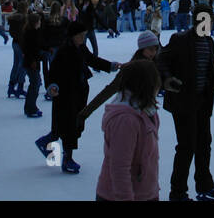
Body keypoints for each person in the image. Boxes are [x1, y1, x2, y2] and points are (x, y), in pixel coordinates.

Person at [156, 1, 214, 201]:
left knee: (204, 144)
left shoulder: (208, 42)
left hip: (202, 103)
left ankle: (205, 186)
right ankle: (178, 192)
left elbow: (213, 71)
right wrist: (167, 78)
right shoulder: (180, 39)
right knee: (186, 146)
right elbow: (161, 59)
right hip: (183, 103)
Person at [35, 21, 118, 174]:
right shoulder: (64, 51)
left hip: (79, 90)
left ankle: (46, 141)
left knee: (71, 123)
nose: (83, 38)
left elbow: (92, 60)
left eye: (84, 35)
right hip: (66, 93)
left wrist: (111, 66)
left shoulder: (81, 47)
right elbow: (53, 70)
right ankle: (68, 159)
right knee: (69, 125)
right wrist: (52, 86)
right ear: (73, 36)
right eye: (81, 35)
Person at [95, 58, 163, 202]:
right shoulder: (126, 120)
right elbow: (119, 168)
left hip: (145, 193)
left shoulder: (147, 109)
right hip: (118, 196)